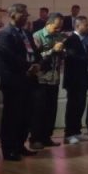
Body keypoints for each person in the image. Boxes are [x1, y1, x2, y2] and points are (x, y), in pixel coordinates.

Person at [0, 3, 40, 161]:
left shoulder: (26, 33)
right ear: (13, 15)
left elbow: (33, 52)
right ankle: (9, 150)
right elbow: (9, 56)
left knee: (26, 115)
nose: (27, 16)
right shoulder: (5, 34)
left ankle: (20, 145)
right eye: (23, 14)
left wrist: (37, 64)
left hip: (29, 80)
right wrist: (28, 66)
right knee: (12, 117)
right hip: (13, 81)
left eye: (27, 14)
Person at [30, 13, 66, 150]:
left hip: (54, 78)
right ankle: (35, 138)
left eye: (60, 27)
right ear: (48, 24)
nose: (58, 30)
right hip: (41, 79)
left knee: (51, 110)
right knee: (39, 110)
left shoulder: (59, 36)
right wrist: (52, 50)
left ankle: (46, 137)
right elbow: (35, 57)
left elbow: (62, 56)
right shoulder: (37, 36)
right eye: (56, 27)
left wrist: (62, 51)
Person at [61, 15, 88, 144]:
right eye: (85, 25)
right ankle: (69, 133)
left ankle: (77, 131)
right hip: (73, 79)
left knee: (80, 106)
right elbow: (72, 57)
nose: (87, 27)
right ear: (78, 26)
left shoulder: (83, 40)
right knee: (72, 106)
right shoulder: (71, 39)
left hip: (82, 78)